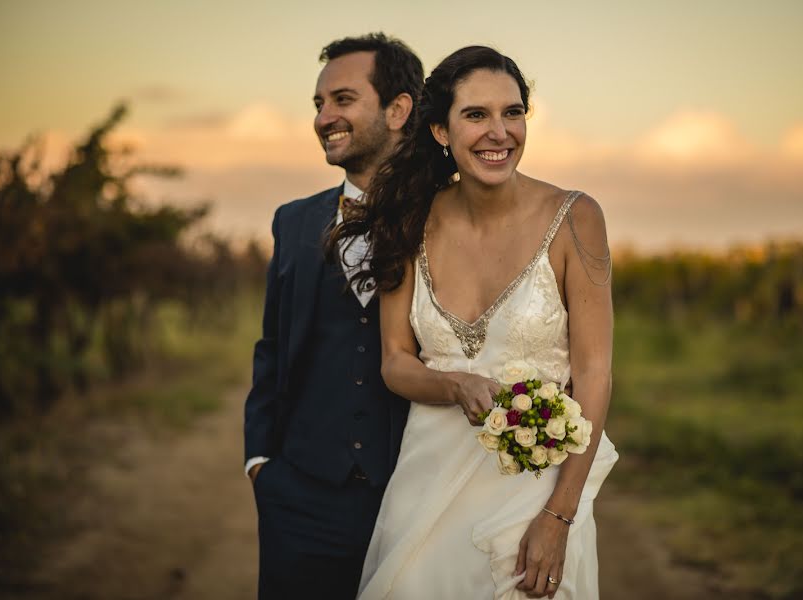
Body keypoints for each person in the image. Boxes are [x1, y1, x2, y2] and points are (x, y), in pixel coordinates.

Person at [332, 46, 619, 599]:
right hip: (427, 486)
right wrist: (453, 383)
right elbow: (395, 361)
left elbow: (595, 374)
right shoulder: (408, 220)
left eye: (513, 113)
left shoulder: (576, 218)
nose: (500, 132)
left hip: (534, 493)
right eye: (476, 115)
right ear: (440, 130)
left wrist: (559, 517)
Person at [243, 33, 423, 600]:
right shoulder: (292, 222)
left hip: (417, 495)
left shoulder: (450, 219)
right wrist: (260, 464)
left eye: (342, 100)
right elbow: (272, 346)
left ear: (398, 110)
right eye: (318, 105)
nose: (324, 117)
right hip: (301, 495)